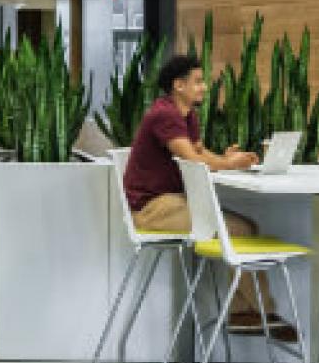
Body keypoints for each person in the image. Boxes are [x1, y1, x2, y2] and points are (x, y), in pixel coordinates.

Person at [124, 53, 293, 338]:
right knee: (238, 229)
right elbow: (192, 159)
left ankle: (247, 313)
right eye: (198, 82)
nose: (204, 87)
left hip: (172, 201)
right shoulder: (165, 115)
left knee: (247, 227)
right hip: (152, 209)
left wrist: (227, 158)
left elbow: (200, 152)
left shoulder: (186, 114)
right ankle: (250, 313)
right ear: (179, 85)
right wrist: (229, 164)